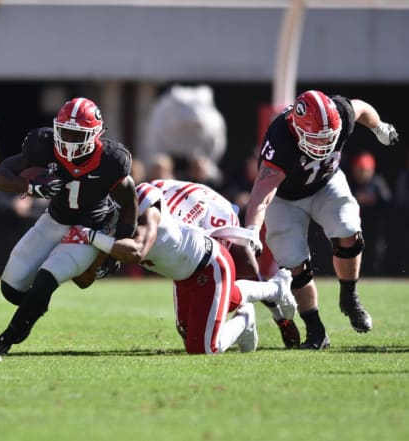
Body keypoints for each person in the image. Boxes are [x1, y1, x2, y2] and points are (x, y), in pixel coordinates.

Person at [63, 182, 297, 354]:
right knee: (192, 327)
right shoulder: (115, 224)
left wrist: (89, 235)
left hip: (208, 257)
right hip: (184, 271)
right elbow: (85, 280)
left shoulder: (147, 211)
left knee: (204, 347)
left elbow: (136, 250)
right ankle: (273, 291)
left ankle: (252, 312)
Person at [244, 90, 399, 349]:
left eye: (330, 137)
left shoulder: (340, 113)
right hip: (284, 198)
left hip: (326, 183)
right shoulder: (281, 140)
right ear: (297, 128)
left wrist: (380, 128)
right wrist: (251, 231)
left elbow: (360, 108)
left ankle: (349, 297)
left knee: (349, 231)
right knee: (295, 264)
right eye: (317, 138)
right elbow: (262, 193)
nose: (324, 144)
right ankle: (316, 331)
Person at [0, 97, 138, 355]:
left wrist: (116, 247)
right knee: (11, 289)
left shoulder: (113, 159)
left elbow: (129, 202)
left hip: (89, 229)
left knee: (46, 278)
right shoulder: (42, 144)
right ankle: (38, 302)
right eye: (64, 132)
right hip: (54, 219)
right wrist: (31, 186)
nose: (68, 140)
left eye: (76, 134)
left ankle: (7, 338)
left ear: (95, 136)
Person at [148, 178, 301, 348]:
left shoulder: (182, 222)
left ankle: (274, 296)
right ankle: (252, 315)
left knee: (231, 280)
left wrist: (281, 320)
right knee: (187, 328)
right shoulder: (147, 201)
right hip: (189, 212)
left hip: (210, 218)